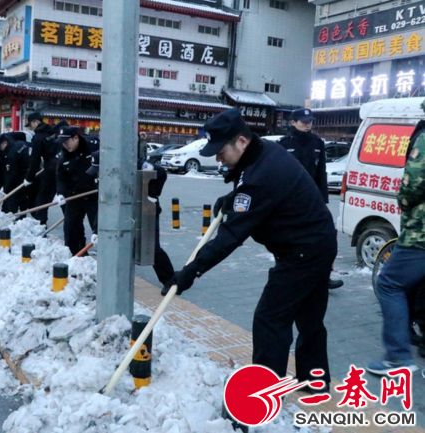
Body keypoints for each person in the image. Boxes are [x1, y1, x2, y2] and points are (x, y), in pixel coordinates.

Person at [165, 109, 337, 388]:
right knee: (309, 318)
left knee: (270, 318)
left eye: (221, 150)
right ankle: (314, 380)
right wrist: (232, 197)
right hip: (318, 242)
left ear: (241, 141)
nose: (218, 158)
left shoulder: (261, 174)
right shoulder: (263, 151)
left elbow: (230, 236)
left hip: (303, 252)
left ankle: (264, 392)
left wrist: (191, 271)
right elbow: (255, 189)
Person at [367, 120, 425, 376]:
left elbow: (413, 183)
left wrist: (402, 200)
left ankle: (398, 357)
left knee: (389, 283)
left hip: (421, 235)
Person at [87, 146, 174, 288]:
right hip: (124, 213)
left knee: (152, 247)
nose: (98, 175)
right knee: (122, 246)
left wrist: (151, 193)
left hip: (146, 209)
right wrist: (96, 230)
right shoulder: (106, 179)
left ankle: (170, 280)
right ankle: (117, 282)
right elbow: (102, 206)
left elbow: (161, 174)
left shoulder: (134, 165)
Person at [279, 108, 343, 290]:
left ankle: (324, 275)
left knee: (325, 236)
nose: (307, 124)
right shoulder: (284, 144)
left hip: (313, 201)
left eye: (310, 121)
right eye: (303, 121)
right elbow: (278, 175)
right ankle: (291, 275)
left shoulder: (317, 143)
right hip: (291, 201)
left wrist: (323, 200)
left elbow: (321, 172)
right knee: (293, 240)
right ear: (293, 122)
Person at [54, 127, 98, 256]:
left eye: (67, 142)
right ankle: (78, 257)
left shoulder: (93, 147)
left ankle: (107, 267)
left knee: (99, 230)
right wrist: (61, 193)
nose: (65, 145)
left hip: (94, 196)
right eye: (62, 143)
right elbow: (60, 177)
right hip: (74, 196)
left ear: (76, 138)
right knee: (70, 229)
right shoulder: (63, 155)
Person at [25, 117, 66, 225]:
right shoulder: (53, 131)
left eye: (31, 125)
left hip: (51, 170)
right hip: (64, 166)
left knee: (43, 199)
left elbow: (35, 160)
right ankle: (72, 223)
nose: (31, 128)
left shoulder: (38, 137)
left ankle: (40, 226)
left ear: (36, 121)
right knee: (65, 198)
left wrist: (29, 178)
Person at [0, 132, 31, 214]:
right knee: (23, 198)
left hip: (23, 175)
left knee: (14, 197)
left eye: (0, 146)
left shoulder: (11, 153)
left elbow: (12, 174)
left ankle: (14, 216)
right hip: (30, 173)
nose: (1, 149)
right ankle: (22, 215)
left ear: (5, 143)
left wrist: (6, 189)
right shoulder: (20, 143)